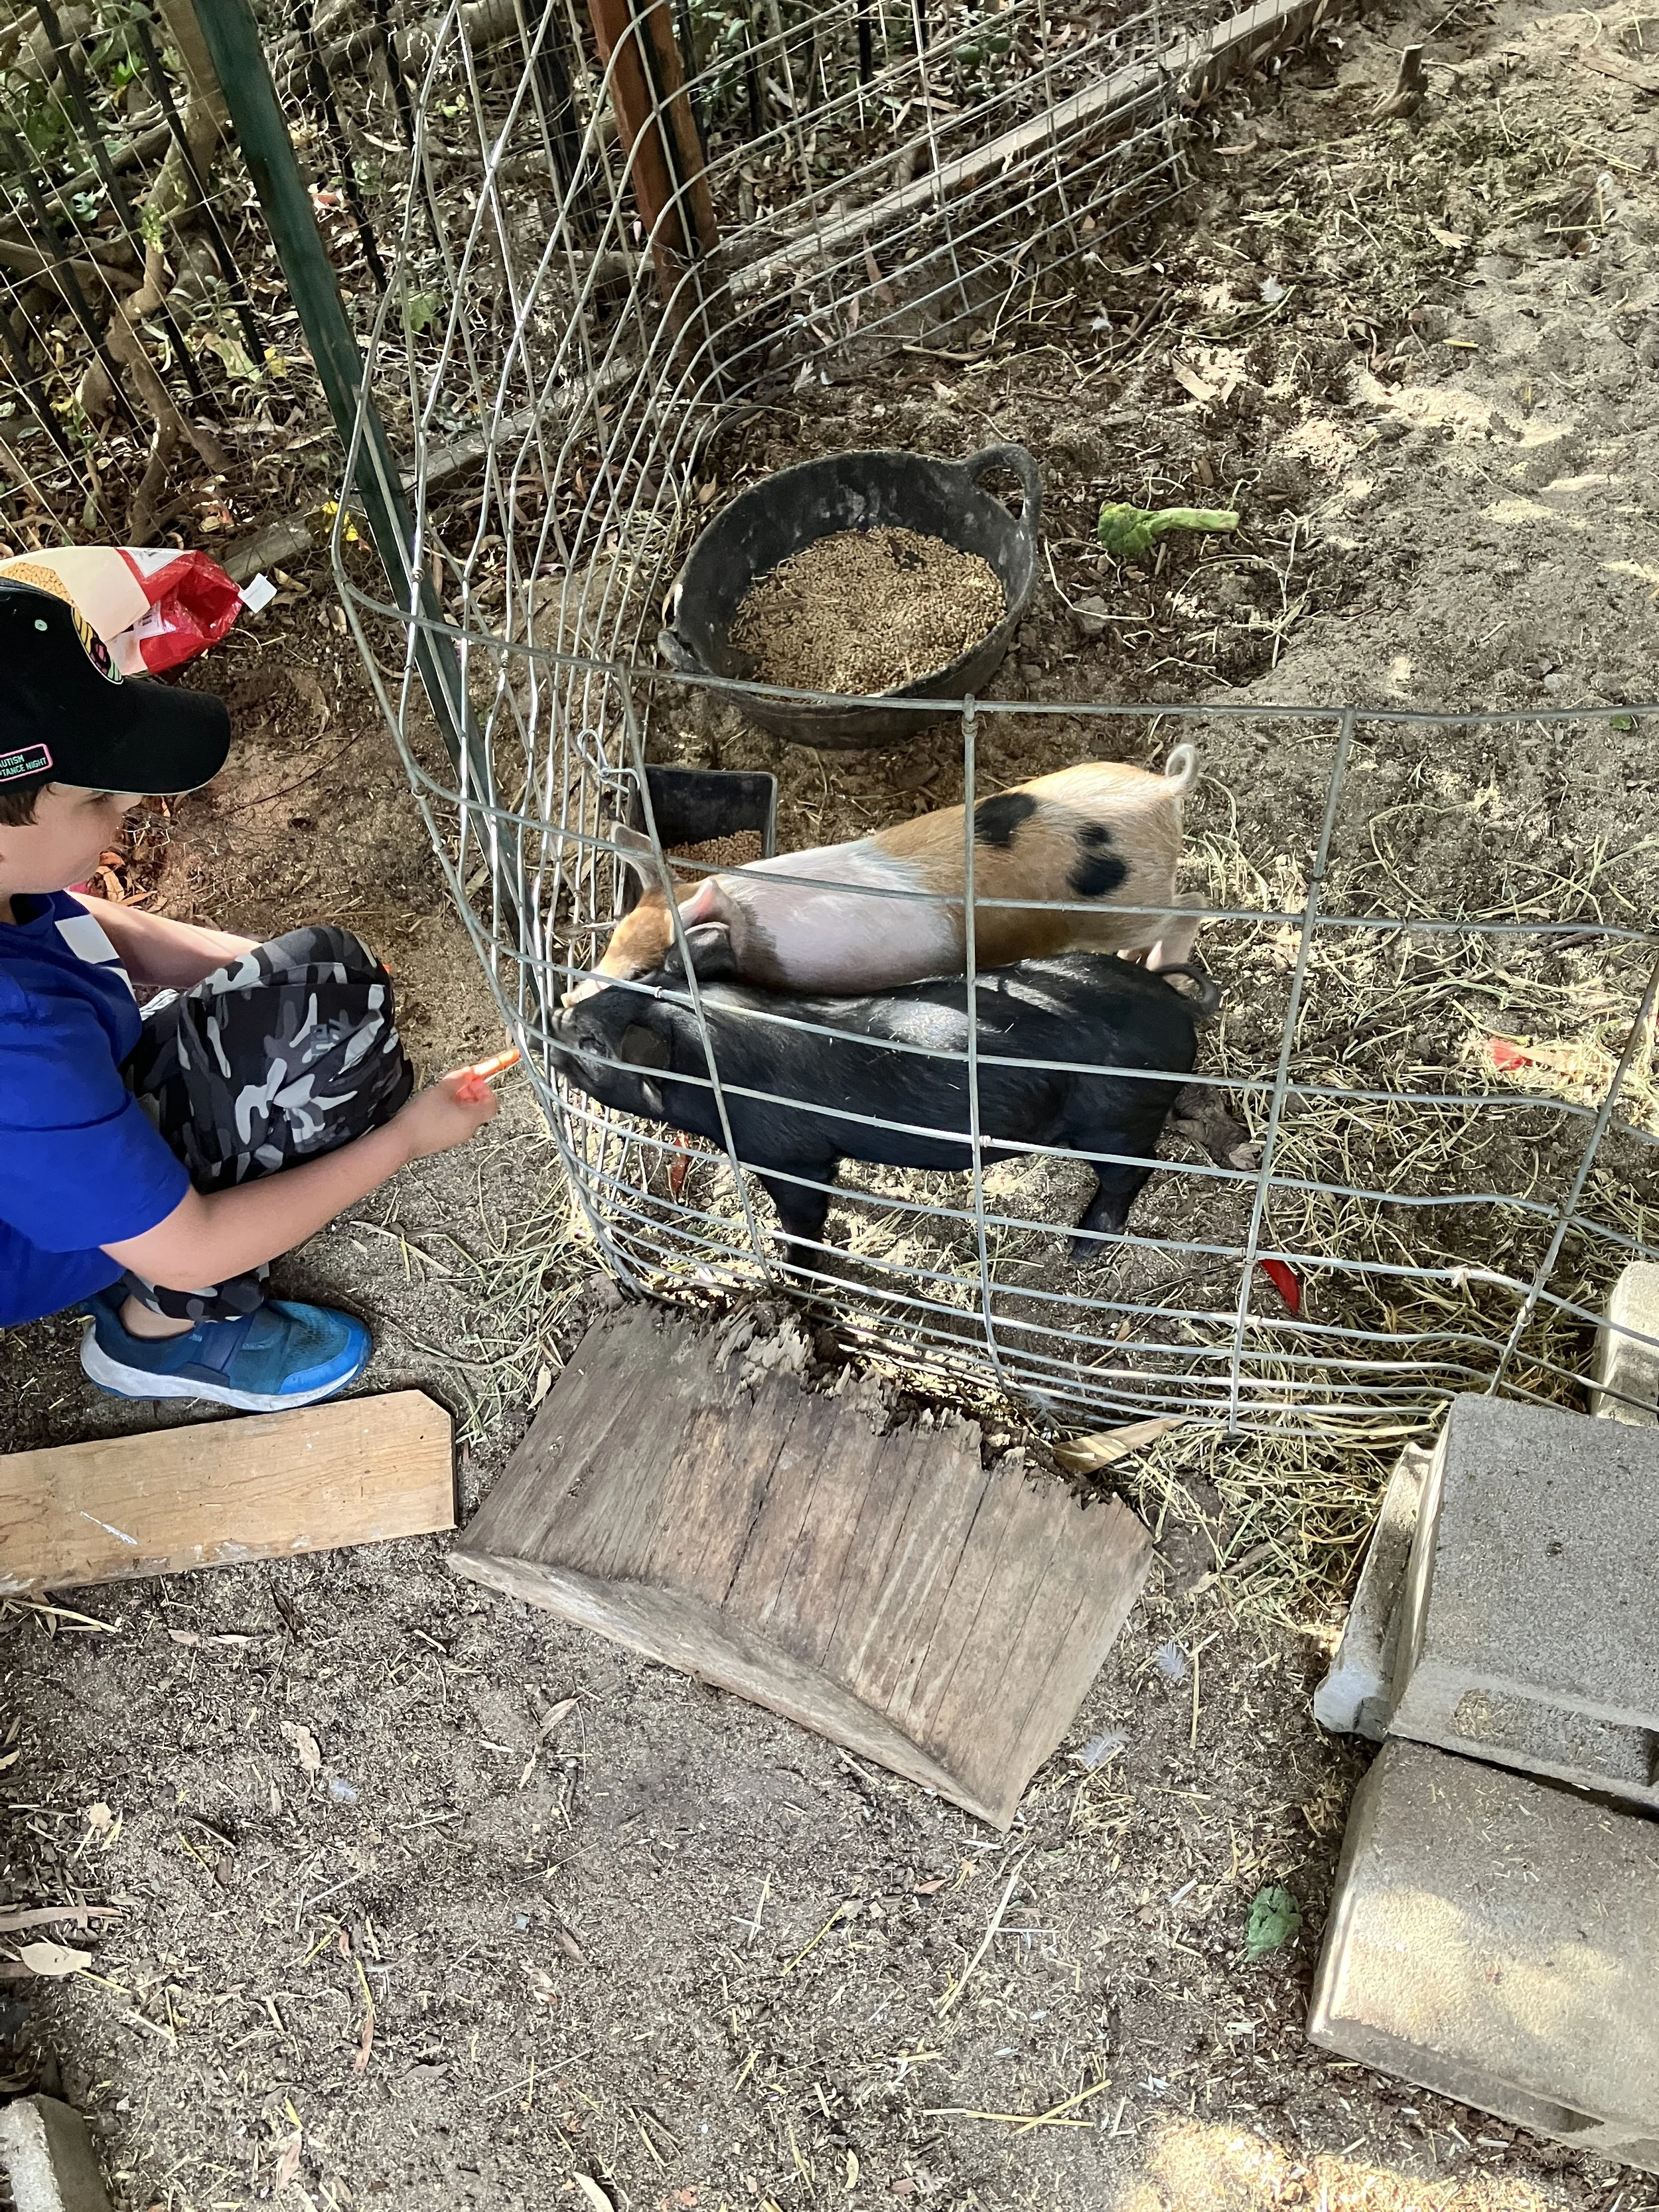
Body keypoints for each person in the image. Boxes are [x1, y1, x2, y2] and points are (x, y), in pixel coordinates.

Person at [0, 575, 498, 1411]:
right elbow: (191, 1250)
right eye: (95, 795)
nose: (126, 808)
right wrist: (406, 1141)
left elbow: (80, 924)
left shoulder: (13, 881)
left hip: (46, 1144)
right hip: (42, 1241)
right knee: (327, 1061)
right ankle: (160, 1337)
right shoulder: (21, 1048)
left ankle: (117, 1196)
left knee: (324, 981)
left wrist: (258, 972)